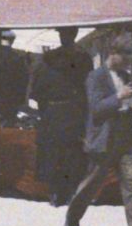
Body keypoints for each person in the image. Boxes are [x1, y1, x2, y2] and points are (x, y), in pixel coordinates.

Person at [64, 45, 132, 226]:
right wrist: (118, 97)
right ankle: (72, 221)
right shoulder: (96, 77)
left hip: (125, 138)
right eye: (126, 55)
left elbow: (128, 109)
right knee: (91, 184)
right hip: (104, 139)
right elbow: (96, 109)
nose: (129, 60)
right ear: (113, 53)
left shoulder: (126, 77)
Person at [30, 28, 89, 208]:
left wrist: (45, 108)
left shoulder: (46, 60)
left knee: (53, 152)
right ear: (75, 35)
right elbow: (87, 87)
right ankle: (70, 192)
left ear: (60, 36)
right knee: (72, 153)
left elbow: (37, 89)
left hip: (52, 111)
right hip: (74, 111)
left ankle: (55, 192)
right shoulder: (83, 60)